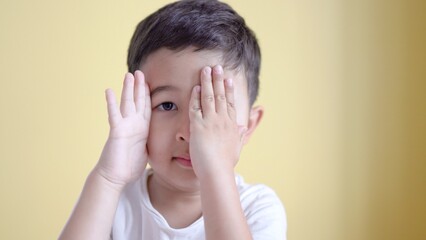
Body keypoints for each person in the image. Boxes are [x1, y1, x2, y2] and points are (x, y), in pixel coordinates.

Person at [59, 0, 287, 239]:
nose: (189, 133)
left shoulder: (258, 208)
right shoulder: (112, 201)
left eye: (214, 108)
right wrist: (107, 178)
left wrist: (216, 170)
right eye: (167, 105)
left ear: (248, 126)